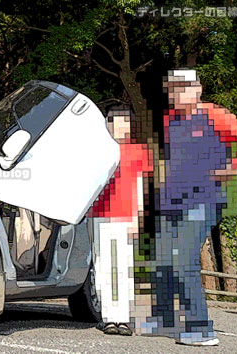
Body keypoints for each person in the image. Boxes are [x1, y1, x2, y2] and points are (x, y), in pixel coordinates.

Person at [141, 69, 237, 345]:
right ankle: (164, 320)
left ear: (197, 89)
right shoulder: (170, 120)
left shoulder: (212, 114)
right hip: (172, 202)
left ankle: (200, 329)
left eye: (182, 88)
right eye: (172, 89)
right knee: (161, 260)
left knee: (184, 259)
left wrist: (232, 167)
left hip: (202, 200)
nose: (176, 94)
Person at [89, 108, 153, 336]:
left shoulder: (138, 152)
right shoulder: (98, 151)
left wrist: (138, 217)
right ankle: (108, 318)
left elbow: (140, 187)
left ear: (130, 125)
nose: (119, 127)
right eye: (113, 123)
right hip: (98, 215)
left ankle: (123, 319)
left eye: (123, 122)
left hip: (126, 216)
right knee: (102, 266)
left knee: (123, 267)